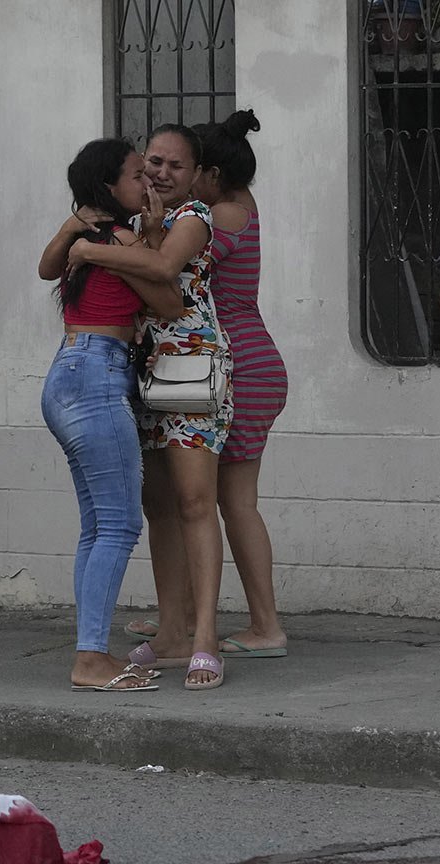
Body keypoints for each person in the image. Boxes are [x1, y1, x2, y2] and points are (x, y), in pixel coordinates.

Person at [67, 124, 233, 690]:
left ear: (196, 177)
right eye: (152, 163)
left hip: (188, 370)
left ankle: (205, 637)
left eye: (174, 166)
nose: (161, 174)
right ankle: (171, 633)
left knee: (194, 502)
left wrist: (91, 246)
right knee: (158, 508)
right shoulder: (136, 224)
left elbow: (163, 272)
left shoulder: (195, 219)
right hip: (139, 373)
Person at [122, 112, 289, 661]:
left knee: (229, 502)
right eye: (160, 162)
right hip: (245, 362)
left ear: (208, 173)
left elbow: (170, 270)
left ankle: (262, 626)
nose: (174, 175)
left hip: (233, 364)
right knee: (211, 500)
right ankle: (188, 618)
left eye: (185, 167)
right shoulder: (242, 207)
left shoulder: (218, 214)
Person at [37, 139, 185, 693]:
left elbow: (50, 266)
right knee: (120, 525)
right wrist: (138, 238)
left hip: (72, 375)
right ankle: (91, 657)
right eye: (133, 175)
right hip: (95, 378)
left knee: (99, 526)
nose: (145, 181)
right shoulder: (113, 238)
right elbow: (170, 299)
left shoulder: (94, 238)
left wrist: (85, 234)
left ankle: (90, 651)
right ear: (107, 187)